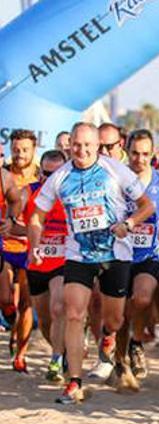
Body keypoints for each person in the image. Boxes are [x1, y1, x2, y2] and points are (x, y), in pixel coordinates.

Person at [30, 122, 155, 404]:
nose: (81, 150)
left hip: (115, 253)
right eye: (76, 145)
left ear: (98, 146)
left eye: (88, 145)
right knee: (74, 313)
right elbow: (37, 216)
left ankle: (109, 336)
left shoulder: (115, 170)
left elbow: (148, 205)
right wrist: (35, 245)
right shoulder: (60, 177)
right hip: (78, 254)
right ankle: (74, 381)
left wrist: (129, 223)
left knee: (115, 318)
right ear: (69, 145)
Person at [117, 130, 159, 383]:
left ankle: (136, 341)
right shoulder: (116, 178)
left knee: (141, 299)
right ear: (126, 152)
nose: (139, 159)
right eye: (135, 153)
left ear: (152, 154)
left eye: (145, 154)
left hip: (149, 253)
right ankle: (120, 359)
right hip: (120, 252)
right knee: (118, 311)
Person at [22, 150, 68, 381]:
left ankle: (56, 360)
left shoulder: (70, 195)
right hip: (37, 264)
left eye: (56, 174)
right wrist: (13, 224)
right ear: (40, 172)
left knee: (58, 307)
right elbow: (18, 219)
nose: (50, 180)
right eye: (46, 174)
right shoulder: (29, 192)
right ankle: (62, 349)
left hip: (62, 262)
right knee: (45, 320)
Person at [4, 129, 38, 371]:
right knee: (6, 299)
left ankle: (21, 355)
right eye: (16, 149)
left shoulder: (42, 177)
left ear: (34, 150)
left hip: (30, 247)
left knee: (26, 302)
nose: (20, 154)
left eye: (25, 149)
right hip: (5, 244)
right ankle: (10, 322)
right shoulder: (5, 176)